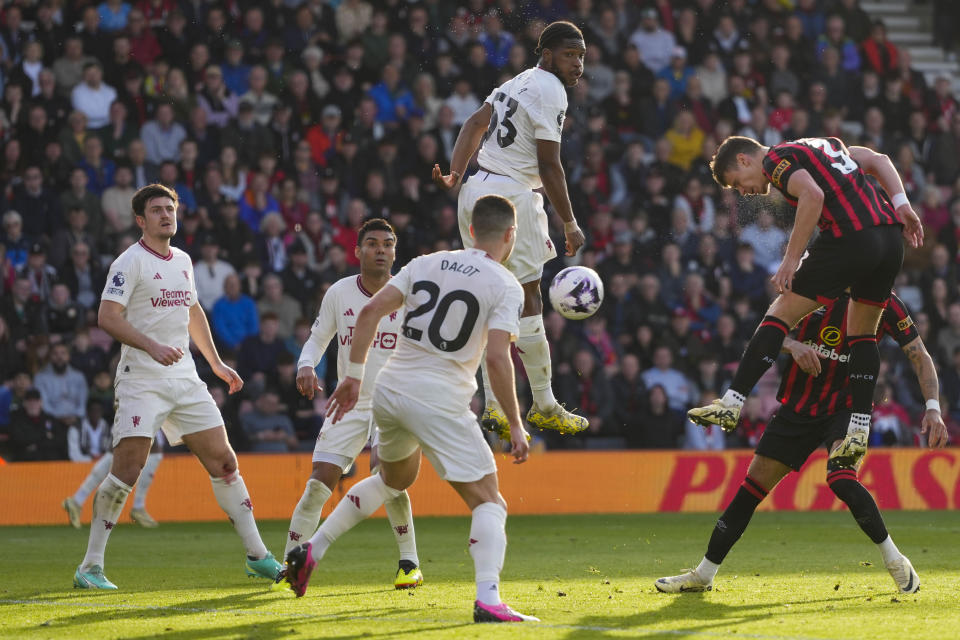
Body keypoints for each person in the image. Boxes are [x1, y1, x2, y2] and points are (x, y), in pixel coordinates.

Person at [285, 195, 536, 624]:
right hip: (439, 400)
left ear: (471, 229)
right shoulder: (506, 285)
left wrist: (354, 375)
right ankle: (489, 599)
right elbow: (497, 359)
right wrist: (515, 421)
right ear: (511, 235)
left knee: (393, 479)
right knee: (490, 502)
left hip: (388, 391)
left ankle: (314, 548)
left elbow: (369, 311)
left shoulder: (426, 262)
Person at [658, 293, 948, 595]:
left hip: (847, 408)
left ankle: (895, 561)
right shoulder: (812, 281)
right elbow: (767, 333)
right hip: (799, 407)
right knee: (749, 491)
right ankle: (704, 574)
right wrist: (793, 345)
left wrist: (933, 408)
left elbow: (920, 355)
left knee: (842, 480)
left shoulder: (883, 299)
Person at [73, 184, 282, 589]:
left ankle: (258, 556)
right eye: (156, 210)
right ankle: (90, 566)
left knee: (224, 462)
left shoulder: (183, 260)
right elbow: (107, 317)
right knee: (127, 470)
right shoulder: (128, 262)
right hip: (143, 379)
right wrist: (152, 346)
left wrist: (217, 364)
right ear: (141, 220)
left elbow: (191, 310)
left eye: (170, 208)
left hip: (185, 377)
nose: (166, 215)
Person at [688, 136, 925, 471]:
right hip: (889, 239)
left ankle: (731, 402)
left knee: (778, 314)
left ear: (744, 160)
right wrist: (902, 204)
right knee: (861, 335)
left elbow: (813, 196)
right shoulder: (823, 146)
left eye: (737, 184)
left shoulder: (775, 161)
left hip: (851, 237)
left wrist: (790, 259)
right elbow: (879, 159)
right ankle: (858, 429)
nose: (743, 192)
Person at [432, 21, 588, 440]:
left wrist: (454, 174)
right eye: (570, 54)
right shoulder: (552, 90)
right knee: (528, 296)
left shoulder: (515, 82)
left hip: (475, 188)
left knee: (490, 295)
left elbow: (473, 125)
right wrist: (570, 224)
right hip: (511, 196)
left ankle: (497, 408)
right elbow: (550, 165)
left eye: (582, 56)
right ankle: (544, 404)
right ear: (548, 53)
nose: (578, 64)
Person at [282, 218, 422, 591]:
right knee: (317, 486)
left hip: (395, 403)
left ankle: (409, 562)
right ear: (357, 251)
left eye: (388, 244)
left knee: (386, 476)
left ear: (395, 252)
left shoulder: (409, 295)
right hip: (349, 402)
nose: (381, 250)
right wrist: (306, 364)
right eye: (373, 244)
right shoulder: (340, 293)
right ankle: (290, 565)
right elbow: (316, 339)